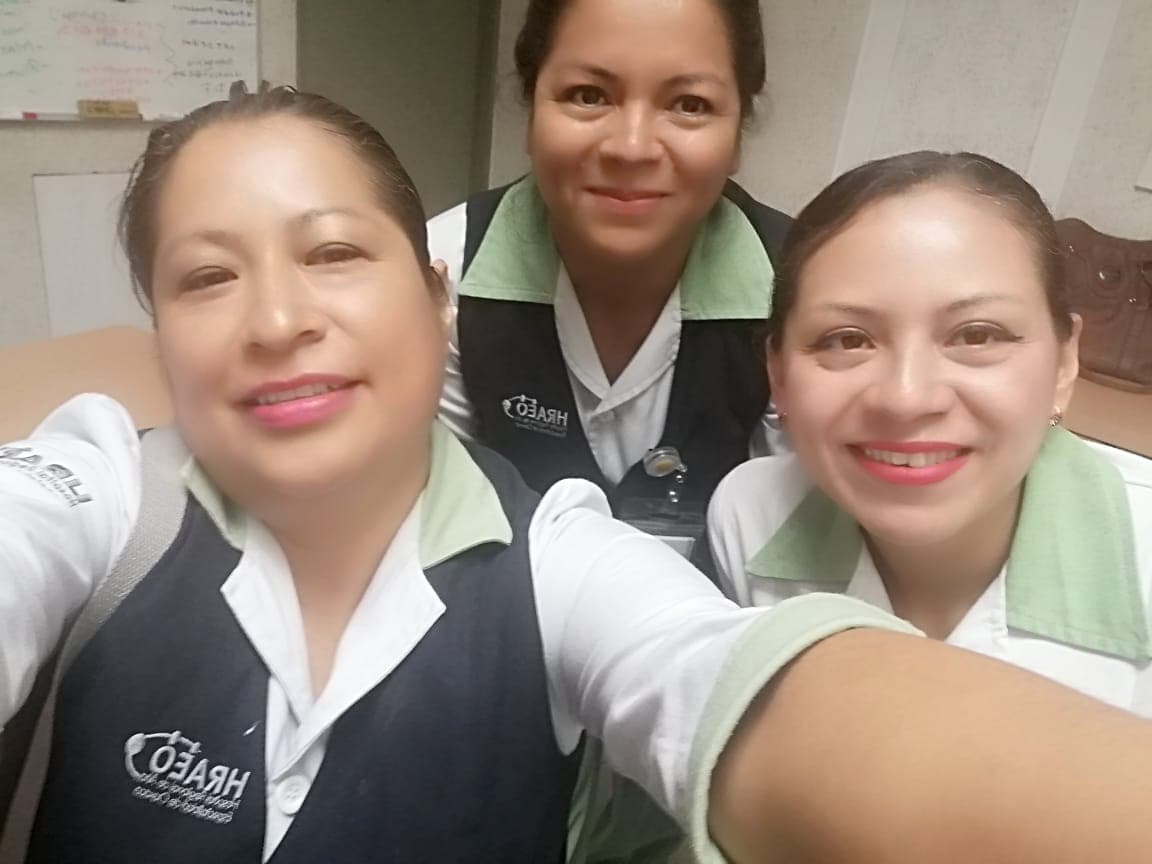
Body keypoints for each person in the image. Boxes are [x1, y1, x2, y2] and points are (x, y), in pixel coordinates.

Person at [4, 90, 1152, 864]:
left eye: (336, 253)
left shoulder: (562, 558)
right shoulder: (102, 494)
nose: (278, 317)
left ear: (437, 298)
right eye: (206, 278)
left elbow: (744, 691)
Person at [709, 150, 1152, 714]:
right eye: (848, 339)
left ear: (1065, 364)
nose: (906, 397)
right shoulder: (749, 519)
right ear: (778, 375)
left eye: (977, 335)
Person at [427, 0, 791, 537]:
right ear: (530, 112)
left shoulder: (802, 294)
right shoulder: (443, 276)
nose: (632, 147)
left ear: (738, 133)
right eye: (588, 96)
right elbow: (443, 532)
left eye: (689, 104)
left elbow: (784, 557)